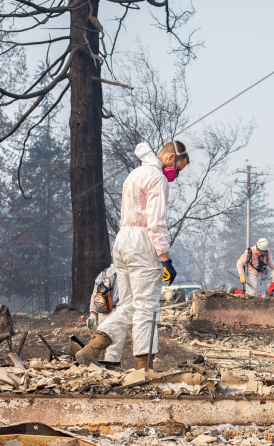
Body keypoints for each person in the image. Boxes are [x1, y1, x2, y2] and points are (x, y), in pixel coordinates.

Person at [75, 140, 189, 369]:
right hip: (142, 243)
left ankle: (92, 348)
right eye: (177, 169)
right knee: (147, 307)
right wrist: (165, 259)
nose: (175, 175)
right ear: (170, 158)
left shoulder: (135, 174)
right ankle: (144, 369)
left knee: (128, 306)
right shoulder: (157, 179)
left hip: (122, 241)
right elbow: (156, 223)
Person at [87, 264, 118, 330]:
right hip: (116, 313)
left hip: (102, 312)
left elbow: (95, 295)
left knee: (103, 337)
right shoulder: (123, 274)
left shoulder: (102, 274)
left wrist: (93, 314)